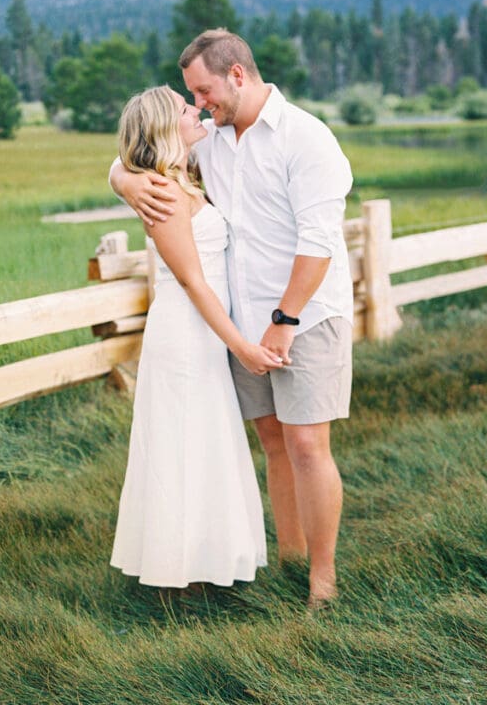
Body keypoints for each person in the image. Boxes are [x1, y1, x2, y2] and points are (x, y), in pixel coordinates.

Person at [111, 30, 354, 608]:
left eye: (203, 90)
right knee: (272, 441)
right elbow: (137, 147)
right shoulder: (211, 137)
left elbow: (318, 243)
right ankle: (291, 560)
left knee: (307, 446)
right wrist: (122, 180)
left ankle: (322, 581)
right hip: (238, 322)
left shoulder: (307, 139)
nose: (198, 104)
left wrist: (285, 319)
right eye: (191, 96)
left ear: (237, 75)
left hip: (304, 316)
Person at [109, 85, 283, 590]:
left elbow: (120, 162)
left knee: (207, 446)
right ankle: (178, 575)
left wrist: (117, 174)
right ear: (169, 128)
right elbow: (192, 282)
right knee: (182, 448)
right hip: (186, 335)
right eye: (188, 110)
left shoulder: (184, 174)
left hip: (202, 335)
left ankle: (207, 565)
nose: (198, 109)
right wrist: (243, 346)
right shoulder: (163, 191)